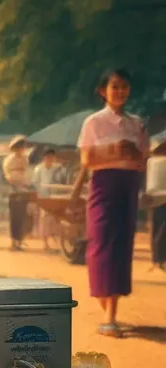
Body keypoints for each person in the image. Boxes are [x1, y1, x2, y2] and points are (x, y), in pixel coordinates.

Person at [73, 69, 148, 337]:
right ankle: (106, 307)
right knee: (101, 241)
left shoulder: (137, 123)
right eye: (115, 86)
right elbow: (86, 161)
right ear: (103, 91)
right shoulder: (93, 122)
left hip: (127, 185)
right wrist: (112, 151)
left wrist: (134, 153)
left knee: (121, 244)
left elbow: (143, 159)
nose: (120, 91)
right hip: (103, 185)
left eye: (124, 86)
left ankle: (110, 314)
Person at [3, 136, 33, 251]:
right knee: (13, 217)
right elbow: (7, 174)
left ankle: (20, 241)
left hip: (23, 189)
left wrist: (25, 184)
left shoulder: (25, 160)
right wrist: (13, 181)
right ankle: (13, 242)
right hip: (12, 189)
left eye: (22, 147)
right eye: (18, 147)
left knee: (22, 217)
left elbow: (27, 173)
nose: (21, 149)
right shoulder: (8, 160)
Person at [32, 148, 62, 251]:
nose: (49, 159)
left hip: (54, 195)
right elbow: (35, 183)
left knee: (55, 218)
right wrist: (39, 193)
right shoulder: (38, 169)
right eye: (47, 157)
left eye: (51, 157)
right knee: (44, 218)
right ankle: (45, 243)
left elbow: (60, 180)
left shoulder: (57, 168)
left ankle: (55, 241)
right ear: (44, 158)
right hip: (43, 196)